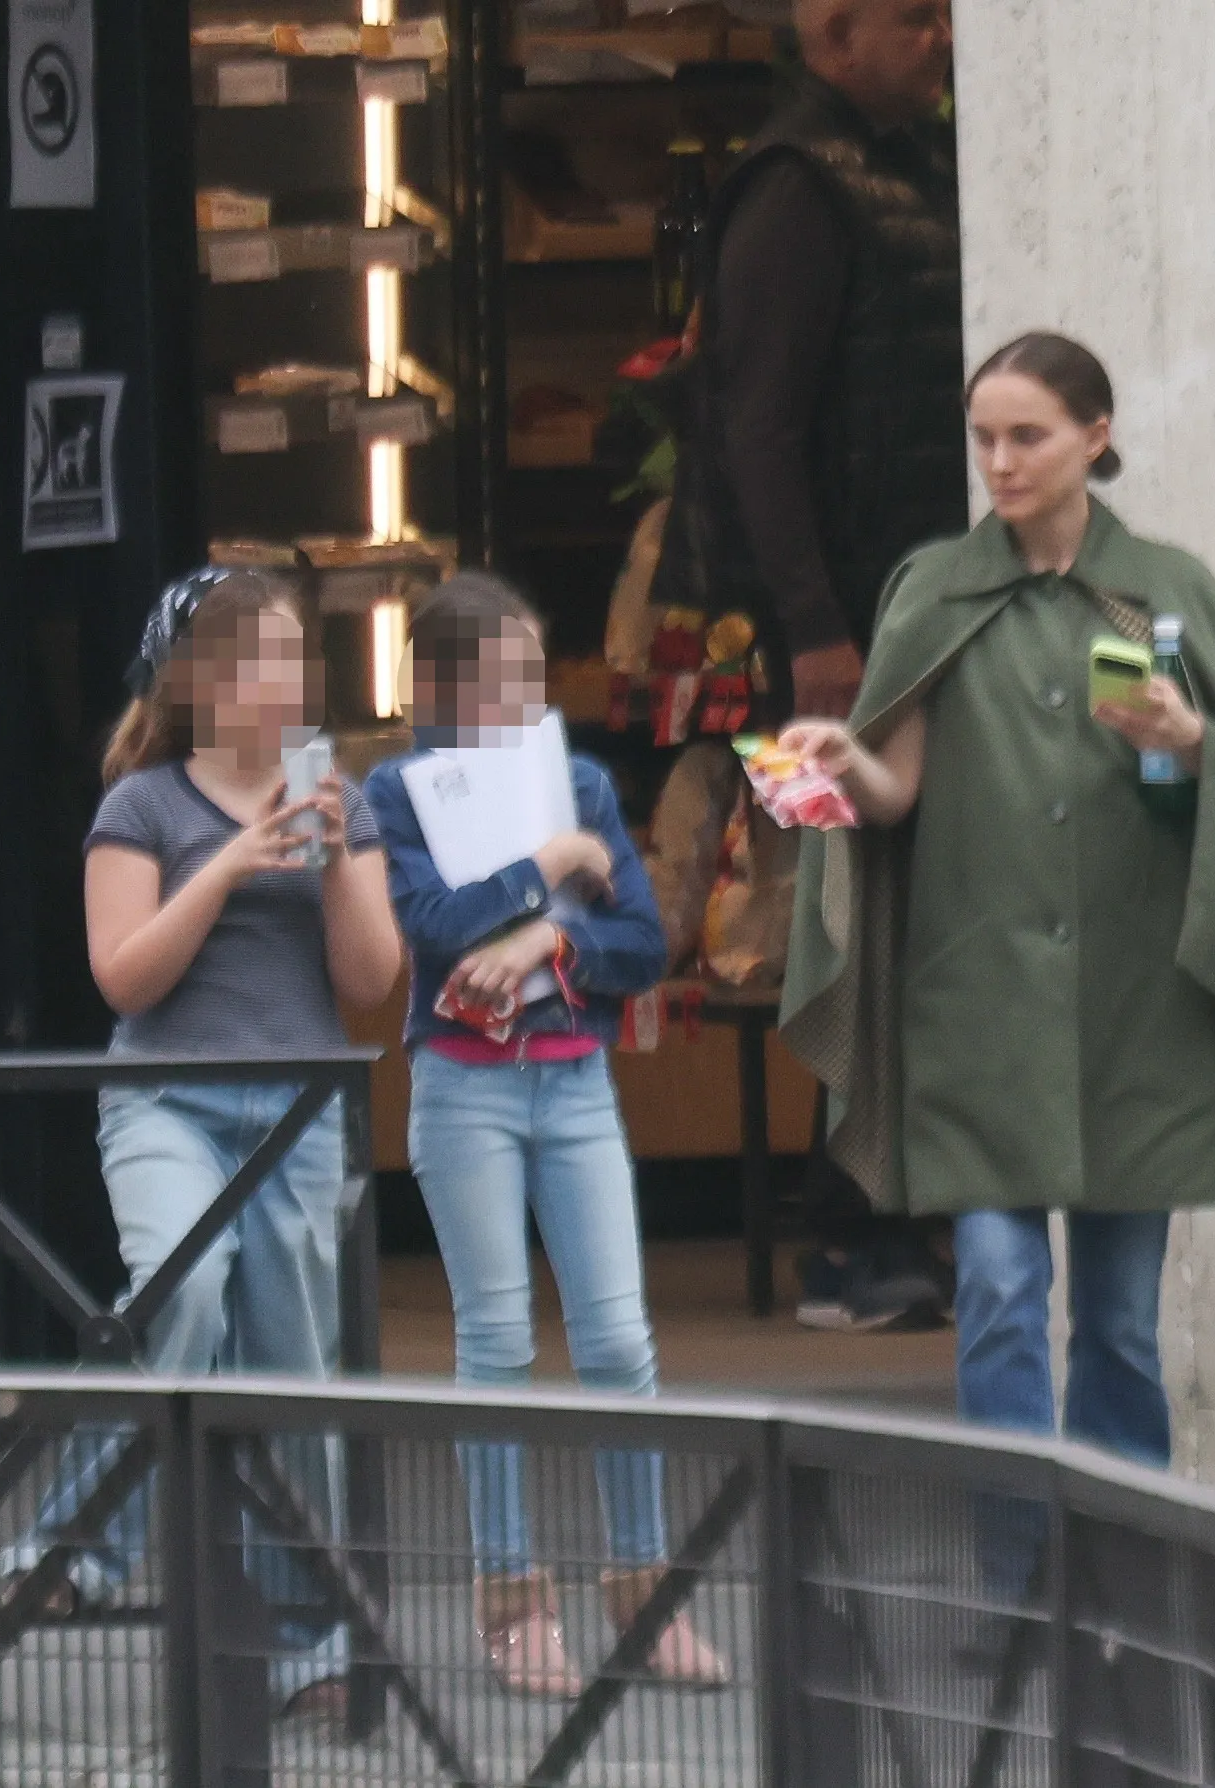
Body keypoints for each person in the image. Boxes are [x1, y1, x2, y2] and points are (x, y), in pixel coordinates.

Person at [777, 334, 1215, 1503]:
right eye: (983, 439)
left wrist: (1193, 744)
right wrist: (841, 756)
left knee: (1116, 1327)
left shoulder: (1168, 589)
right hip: (976, 1009)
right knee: (997, 1292)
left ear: (1094, 438)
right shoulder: (933, 590)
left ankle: (1120, 1590)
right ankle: (1022, 1596)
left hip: (1133, 1017)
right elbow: (896, 790)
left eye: (1026, 437)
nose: (998, 463)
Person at [3, 566, 404, 1721]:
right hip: (167, 1102)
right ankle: (72, 1550)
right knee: (183, 1289)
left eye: (297, 659)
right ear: (202, 681)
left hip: (298, 1107)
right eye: (261, 660)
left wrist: (331, 862)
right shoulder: (143, 806)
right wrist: (229, 865)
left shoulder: (341, 793)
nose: (287, 683)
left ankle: (306, 1642)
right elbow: (122, 975)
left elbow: (371, 986)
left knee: (288, 1358)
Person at [653, 0, 963, 1332]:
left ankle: (903, 1213)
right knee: (842, 916)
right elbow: (758, 430)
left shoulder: (912, 164)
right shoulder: (792, 190)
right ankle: (850, 1231)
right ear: (832, 35)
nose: (945, 35)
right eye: (915, 16)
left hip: (903, 624)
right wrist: (811, 628)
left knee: (915, 915)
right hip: (831, 649)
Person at [366, 573, 726, 1695]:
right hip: (463, 1084)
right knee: (498, 1344)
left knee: (618, 1341)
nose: (531, 699)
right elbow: (425, 929)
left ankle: (644, 1594)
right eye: (508, 678)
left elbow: (639, 941)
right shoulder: (396, 790)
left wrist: (542, 948)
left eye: (533, 675)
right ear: (440, 687)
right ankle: (513, 1601)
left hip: (573, 1082)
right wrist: (548, 870)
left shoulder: (574, 780)